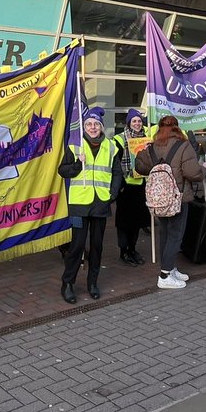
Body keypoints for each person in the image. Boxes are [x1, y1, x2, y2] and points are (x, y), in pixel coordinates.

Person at [134, 115, 203, 289]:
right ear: (177, 128)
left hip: (159, 199)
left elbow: (139, 167)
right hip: (178, 198)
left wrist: (145, 152)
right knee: (175, 236)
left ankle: (170, 268)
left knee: (164, 233)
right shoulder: (184, 145)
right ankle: (165, 275)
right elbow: (193, 173)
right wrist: (205, 170)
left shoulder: (153, 147)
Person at [59, 107, 120, 303]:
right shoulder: (74, 146)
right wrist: (77, 164)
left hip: (100, 203)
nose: (92, 127)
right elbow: (63, 170)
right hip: (79, 204)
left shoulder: (111, 146)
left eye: (96, 124)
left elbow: (117, 172)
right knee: (76, 246)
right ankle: (67, 283)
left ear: (101, 127)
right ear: (83, 126)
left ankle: (92, 283)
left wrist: (112, 193)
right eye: (89, 124)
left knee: (97, 246)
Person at [111, 108, 149, 267]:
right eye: (134, 121)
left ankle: (132, 249)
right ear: (128, 123)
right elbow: (114, 163)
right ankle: (123, 251)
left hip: (141, 185)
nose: (137, 124)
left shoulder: (147, 139)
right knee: (124, 221)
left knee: (137, 221)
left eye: (139, 121)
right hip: (125, 187)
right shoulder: (119, 139)